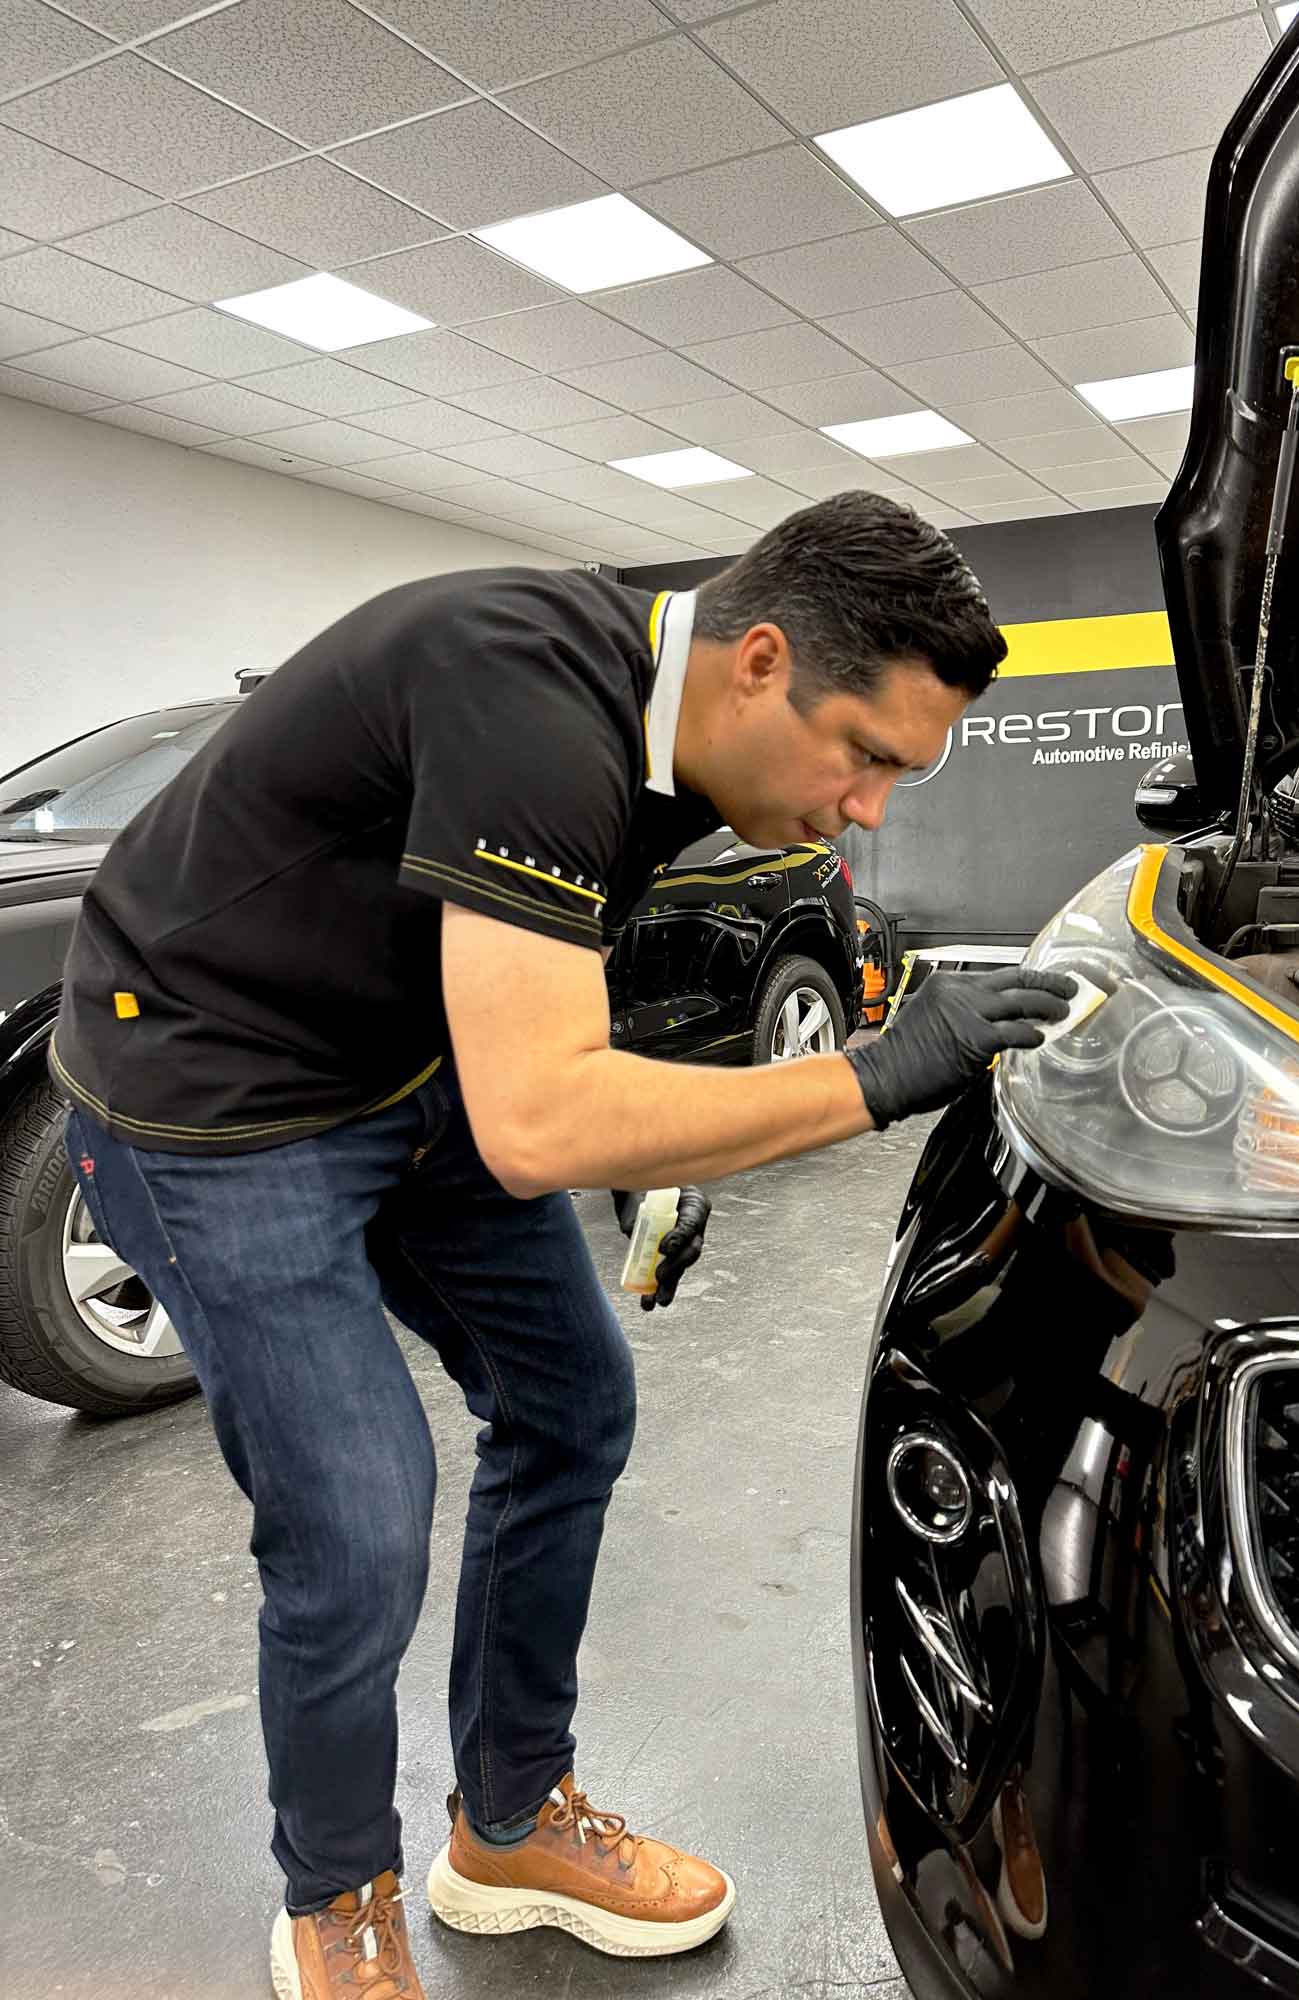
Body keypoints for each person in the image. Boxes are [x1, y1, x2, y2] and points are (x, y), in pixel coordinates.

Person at [50, 491, 1072, 2000]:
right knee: (357, 1517)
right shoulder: (525, 695)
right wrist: (867, 1075)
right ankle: (335, 1892)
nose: (871, 808)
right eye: (867, 753)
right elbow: (538, 1121)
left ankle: (511, 1823)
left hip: (413, 1068)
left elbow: (548, 999)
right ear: (761, 661)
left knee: (572, 1405)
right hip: (216, 1093)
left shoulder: (680, 740)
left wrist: (665, 1159)